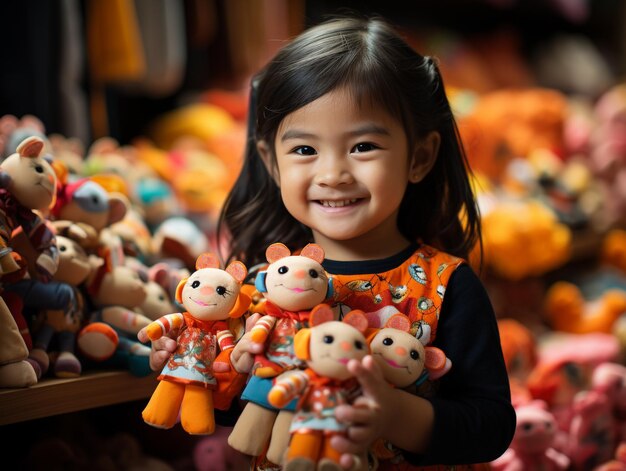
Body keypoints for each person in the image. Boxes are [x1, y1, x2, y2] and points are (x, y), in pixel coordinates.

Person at [140, 14, 516, 470]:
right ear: (272, 163)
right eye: (304, 150)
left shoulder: (448, 286)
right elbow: (247, 407)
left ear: (419, 157)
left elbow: (490, 425)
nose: (333, 173)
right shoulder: (262, 288)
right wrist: (193, 369)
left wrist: (396, 416)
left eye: (362, 146)